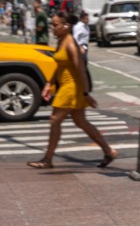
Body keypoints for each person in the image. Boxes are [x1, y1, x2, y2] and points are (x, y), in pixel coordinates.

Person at [25, 13, 119, 170]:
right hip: (66, 86)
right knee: (80, 122)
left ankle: (47, 160)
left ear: (66, 26)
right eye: (52, 25)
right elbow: (60, 66)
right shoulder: (61, 40)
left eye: (55, 25)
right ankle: (109, 151)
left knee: (55, 119)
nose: (52, 28)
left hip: (73, 87)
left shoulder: (70, 44)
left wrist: (85, 93)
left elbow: (81, 69)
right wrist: (49, 83)